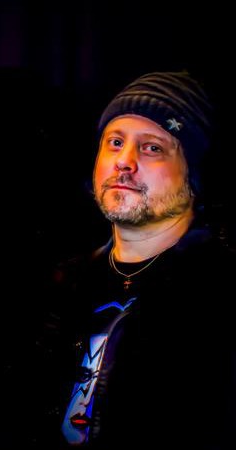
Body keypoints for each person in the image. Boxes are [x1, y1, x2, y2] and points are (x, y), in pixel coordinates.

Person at [39, 72, 236, 449]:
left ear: (193, 173)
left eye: (152, 148)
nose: (124, 162)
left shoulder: (220, 292)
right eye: (115, 143)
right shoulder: (63, 285)